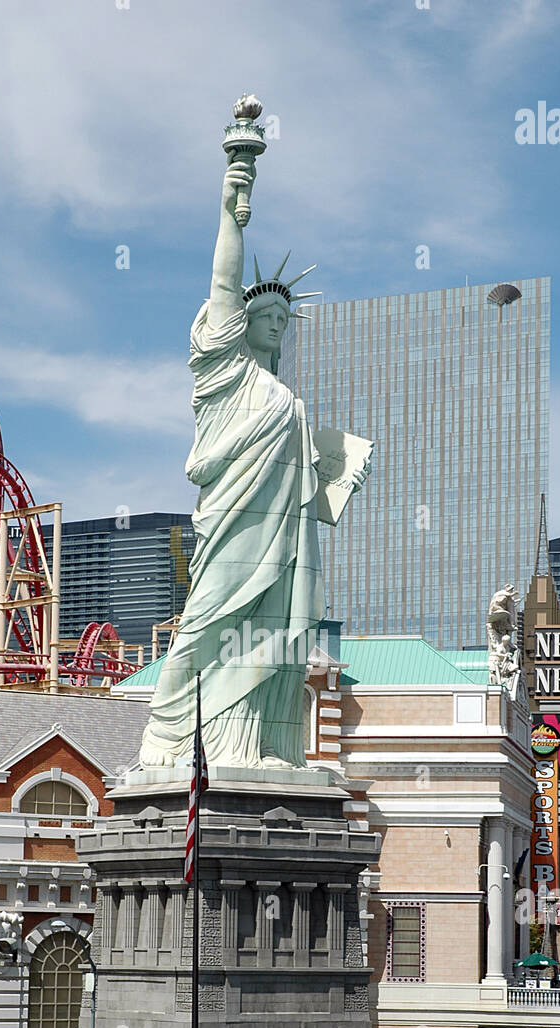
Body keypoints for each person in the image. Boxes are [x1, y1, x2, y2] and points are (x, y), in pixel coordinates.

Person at [137, 135, 369, 772]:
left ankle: (262, 746)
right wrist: (234, 198)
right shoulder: (224, 374)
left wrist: (333, 474)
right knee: (207, 627)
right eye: (264, 311)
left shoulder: (285, 398)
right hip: (233, 533)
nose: (276, 322)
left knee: (275, 645)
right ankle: (171, 738)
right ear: (239, 321)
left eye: (283, 318)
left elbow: (300, 482)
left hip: (287, 545)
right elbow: (222, 280)